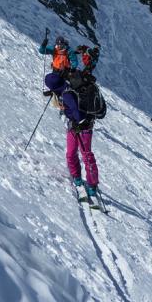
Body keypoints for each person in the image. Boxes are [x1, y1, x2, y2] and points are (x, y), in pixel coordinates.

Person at [39, 35, 100, 198]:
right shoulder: (63, 88)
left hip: (83, 125)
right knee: (72, 153)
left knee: (85, 154)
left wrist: (79, 121)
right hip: (74, 125)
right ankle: (77, 177)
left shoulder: (66, 93)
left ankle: (92, 184)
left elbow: (72, 106)